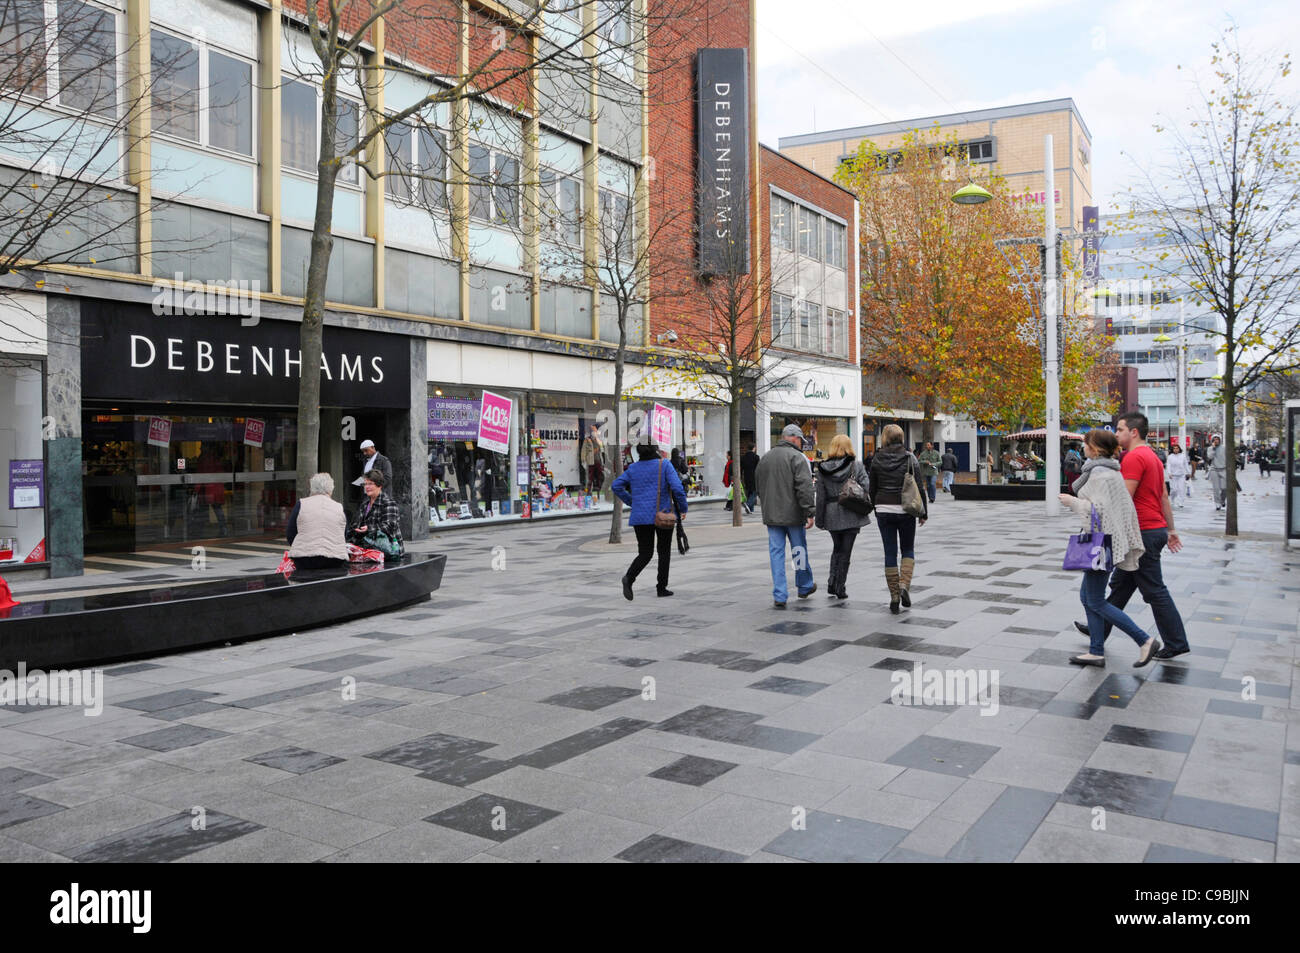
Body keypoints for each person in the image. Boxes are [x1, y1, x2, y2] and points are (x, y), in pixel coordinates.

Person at [1073, 412, 1190, 661]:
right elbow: (1163, 497)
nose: (1116, 434)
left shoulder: (1135, 457)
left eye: (1120, 429)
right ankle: (1098, 635)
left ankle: (1171, 642)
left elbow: (1118, 500)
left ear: (1133, 432)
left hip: (1142, 530)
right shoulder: (1154, 457)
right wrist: (1170, 529)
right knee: (1119, 587)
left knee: (1154, 590)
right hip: (1152, 527)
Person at [1059, 429, 1161, 667]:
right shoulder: (1111, 471)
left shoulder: (1100, 475)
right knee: (1088, 597)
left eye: (1086, 443)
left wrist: (1073, 502)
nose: (1083, 447)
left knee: (1095, 600)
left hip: (1103, 542)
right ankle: (1096, 650)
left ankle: (1144, 640)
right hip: (1108, 541)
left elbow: (1100, 511)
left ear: (1094, 448)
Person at [612, 442, 688, 600]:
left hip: (640, 516)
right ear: (656, 450)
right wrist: (683, 508)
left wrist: (631, 501)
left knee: (645, 553)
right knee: (664, 551)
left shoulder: (633, 468)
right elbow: (677, 487)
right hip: (663, 514)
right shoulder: (664, 464)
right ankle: (661, 588)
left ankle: (629, 578)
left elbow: (616, 486)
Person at [756, 424, 817, 608]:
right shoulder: (797, 457)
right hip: (793, 514)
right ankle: (804, 585)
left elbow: (758, 484)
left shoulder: (766, 457)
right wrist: (809, 511)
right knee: (798, 550)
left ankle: (780, 594)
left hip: (772, 514)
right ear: (795, 438)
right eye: (800, 440)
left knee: (776, 553)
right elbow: (805, 487)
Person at [869, 424, 927, 613]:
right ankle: (904, 586)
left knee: (889, 552)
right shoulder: (910, 458)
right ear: (901, 438)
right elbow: (919, 485)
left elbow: (872, 487)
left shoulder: (877, 458)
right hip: (906, 509)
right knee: (908, 548)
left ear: (885, 438)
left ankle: (894, 596)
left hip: (883, 508)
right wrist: (923, 512)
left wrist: (875, 507)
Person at [815, 434, 872, 599]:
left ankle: (832, 582)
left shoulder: (823, 468)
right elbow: (867, 486)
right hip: (851, 510)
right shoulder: (856, 465)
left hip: (831, 513)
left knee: (837, 548)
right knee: (846, 550)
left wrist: (819, 519)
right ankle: (840, 586)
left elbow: (820, 496)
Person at [286, 472, 348, 569]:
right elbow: (343, 534)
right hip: (335, 558)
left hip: (305, 558)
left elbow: (290, 532)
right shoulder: (339, 507)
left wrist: (300, 546)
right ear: (331, 489)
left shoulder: (301, 504)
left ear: (312, 488)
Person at [349, 469, 403, 556]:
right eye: (365, 484)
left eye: (370, 484)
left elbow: (389, 526)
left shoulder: (388, 503)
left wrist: (369, 529)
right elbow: (358, 525)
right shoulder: (364, 504)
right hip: (370, 550)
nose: (367, 487)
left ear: (379, 485)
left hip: (390, 552)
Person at [581, 425, 606, 493]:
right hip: (590, 461)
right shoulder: (587, 439)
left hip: (598, 460)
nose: (593, 431)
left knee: (600, 476)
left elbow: (603, 449)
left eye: (594, 430)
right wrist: (583, 460)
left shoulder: (599, 440)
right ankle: (589, 491)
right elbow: (583, 450)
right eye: (592, 430)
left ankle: (600, 490)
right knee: (590, 478)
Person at [1205, 434, 1227, 510]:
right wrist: (1213, 449)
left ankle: (1222, 500)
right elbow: (1210, 457)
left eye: (1217, 439)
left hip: (1224, 469)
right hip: (1214, 469)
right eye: (1214, 439)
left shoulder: (1224, 448)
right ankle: (1217, 503)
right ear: (1212, 441)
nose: (1216, 441)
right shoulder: (1210, 448)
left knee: (1224, 488)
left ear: (1220, 440)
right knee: (1216, 488)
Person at [1165, 443, 1190, 508]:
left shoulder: (1183, 456)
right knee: (1174, 489)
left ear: (1179, 449)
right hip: (1173, 476)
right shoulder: (1170, 457)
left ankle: (1181, 502)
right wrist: (1169, 473)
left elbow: (1186, 464)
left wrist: (1188, 472)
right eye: (1174, 448)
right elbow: (1168, 466)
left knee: (1181, 489)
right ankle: (1172, 500)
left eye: (1177, 448)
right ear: (1172, 450)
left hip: (1181, 475)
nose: (1176, 450)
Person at [740, 444, 761, 511]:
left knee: (749, 492)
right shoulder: (756, 457)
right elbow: (759, 468)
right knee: (755, 492)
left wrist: (740, 477)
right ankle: (748, 504)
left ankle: (750, 510)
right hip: (754, 477)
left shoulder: (743, 457)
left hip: (746, 477)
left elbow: (741, 469)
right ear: (754, 448)